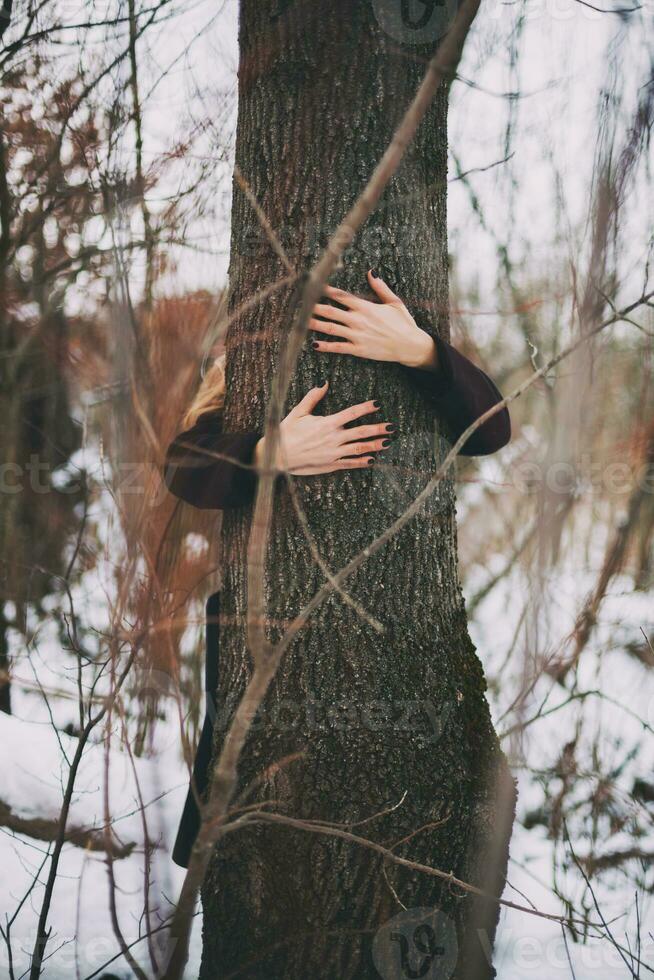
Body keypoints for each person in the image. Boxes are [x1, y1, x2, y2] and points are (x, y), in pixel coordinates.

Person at [164, 270, 511, 869]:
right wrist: (268, 453)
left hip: (400, 635)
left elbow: (493, 429)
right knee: (256, 848)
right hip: (257, 641)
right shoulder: (232, 390)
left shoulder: (419, 366)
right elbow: (183, 468)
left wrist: (421, 351)